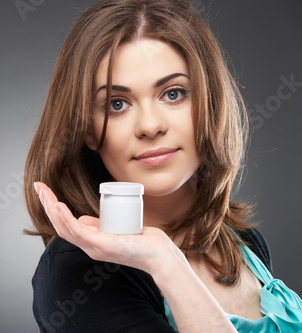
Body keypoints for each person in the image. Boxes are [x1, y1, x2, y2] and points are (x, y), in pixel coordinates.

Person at [23, 0, 302, 332]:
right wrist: (164, 262)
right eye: (117, 103)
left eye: (173, 94)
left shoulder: (244, 241)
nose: (150, 125)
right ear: (87, 131)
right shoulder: (80, 274)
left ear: (210, 105)